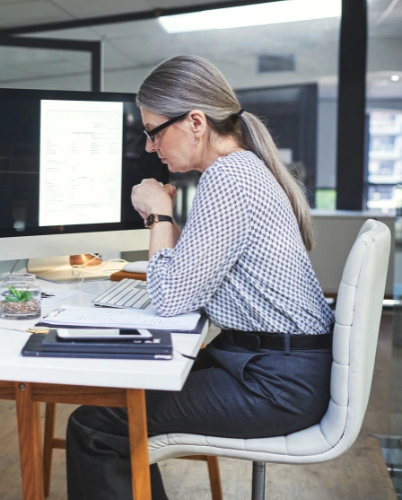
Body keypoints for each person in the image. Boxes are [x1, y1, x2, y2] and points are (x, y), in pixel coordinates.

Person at [65, 55, 335, 499]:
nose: (151, 146)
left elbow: (172, 299)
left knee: (96, 426)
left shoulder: (228, 177)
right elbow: (191, 273)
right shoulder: (242, 169)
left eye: (153, 131)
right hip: (274, 366)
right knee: (121, 399)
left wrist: (159, 214)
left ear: (195, 122)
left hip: (275, 382)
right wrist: (167, 223)